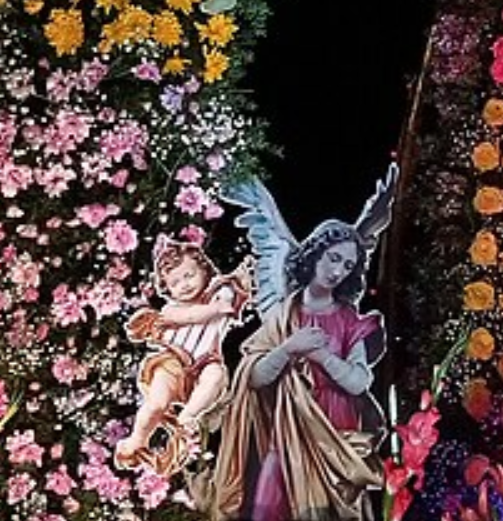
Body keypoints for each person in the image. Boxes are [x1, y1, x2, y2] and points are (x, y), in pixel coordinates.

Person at [209, 221, 386, 521]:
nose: (337, 271)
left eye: (347, 265)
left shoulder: (348, 320)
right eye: (333, 258)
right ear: (315, 254)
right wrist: (288, 349)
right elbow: (254, 377)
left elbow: (359, 382)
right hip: (286, 427)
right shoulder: (283, 315)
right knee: (269, 503)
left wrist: (322, 357)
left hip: (334, 428)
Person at [116, 237, 252, 476]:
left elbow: (232, 294)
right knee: (156, 404)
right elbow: (190, 317)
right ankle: (137, 438)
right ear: (167, 289)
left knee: (216, 376)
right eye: (175, 282)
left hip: (205, 361)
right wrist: (214, 309)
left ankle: (188, 416)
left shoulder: (219, 292)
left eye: (189, 275)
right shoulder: (171, 309)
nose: (184, 285)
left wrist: (238, 281)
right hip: (173, 361)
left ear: (205, 269)